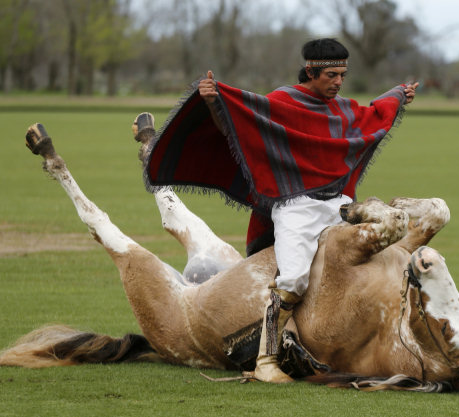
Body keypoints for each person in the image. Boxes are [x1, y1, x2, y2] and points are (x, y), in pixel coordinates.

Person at [146, 38, 417, 383]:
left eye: (342, 76)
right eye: (331, 75)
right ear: (310, 71)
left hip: (339, 205)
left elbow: (371, 115)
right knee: (294, 281)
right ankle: (265, 360)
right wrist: (215, 103)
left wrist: (397, 94)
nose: (338, 82)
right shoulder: (281, 103)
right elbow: (237, 126)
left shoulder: (341, 109)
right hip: (296, 206)